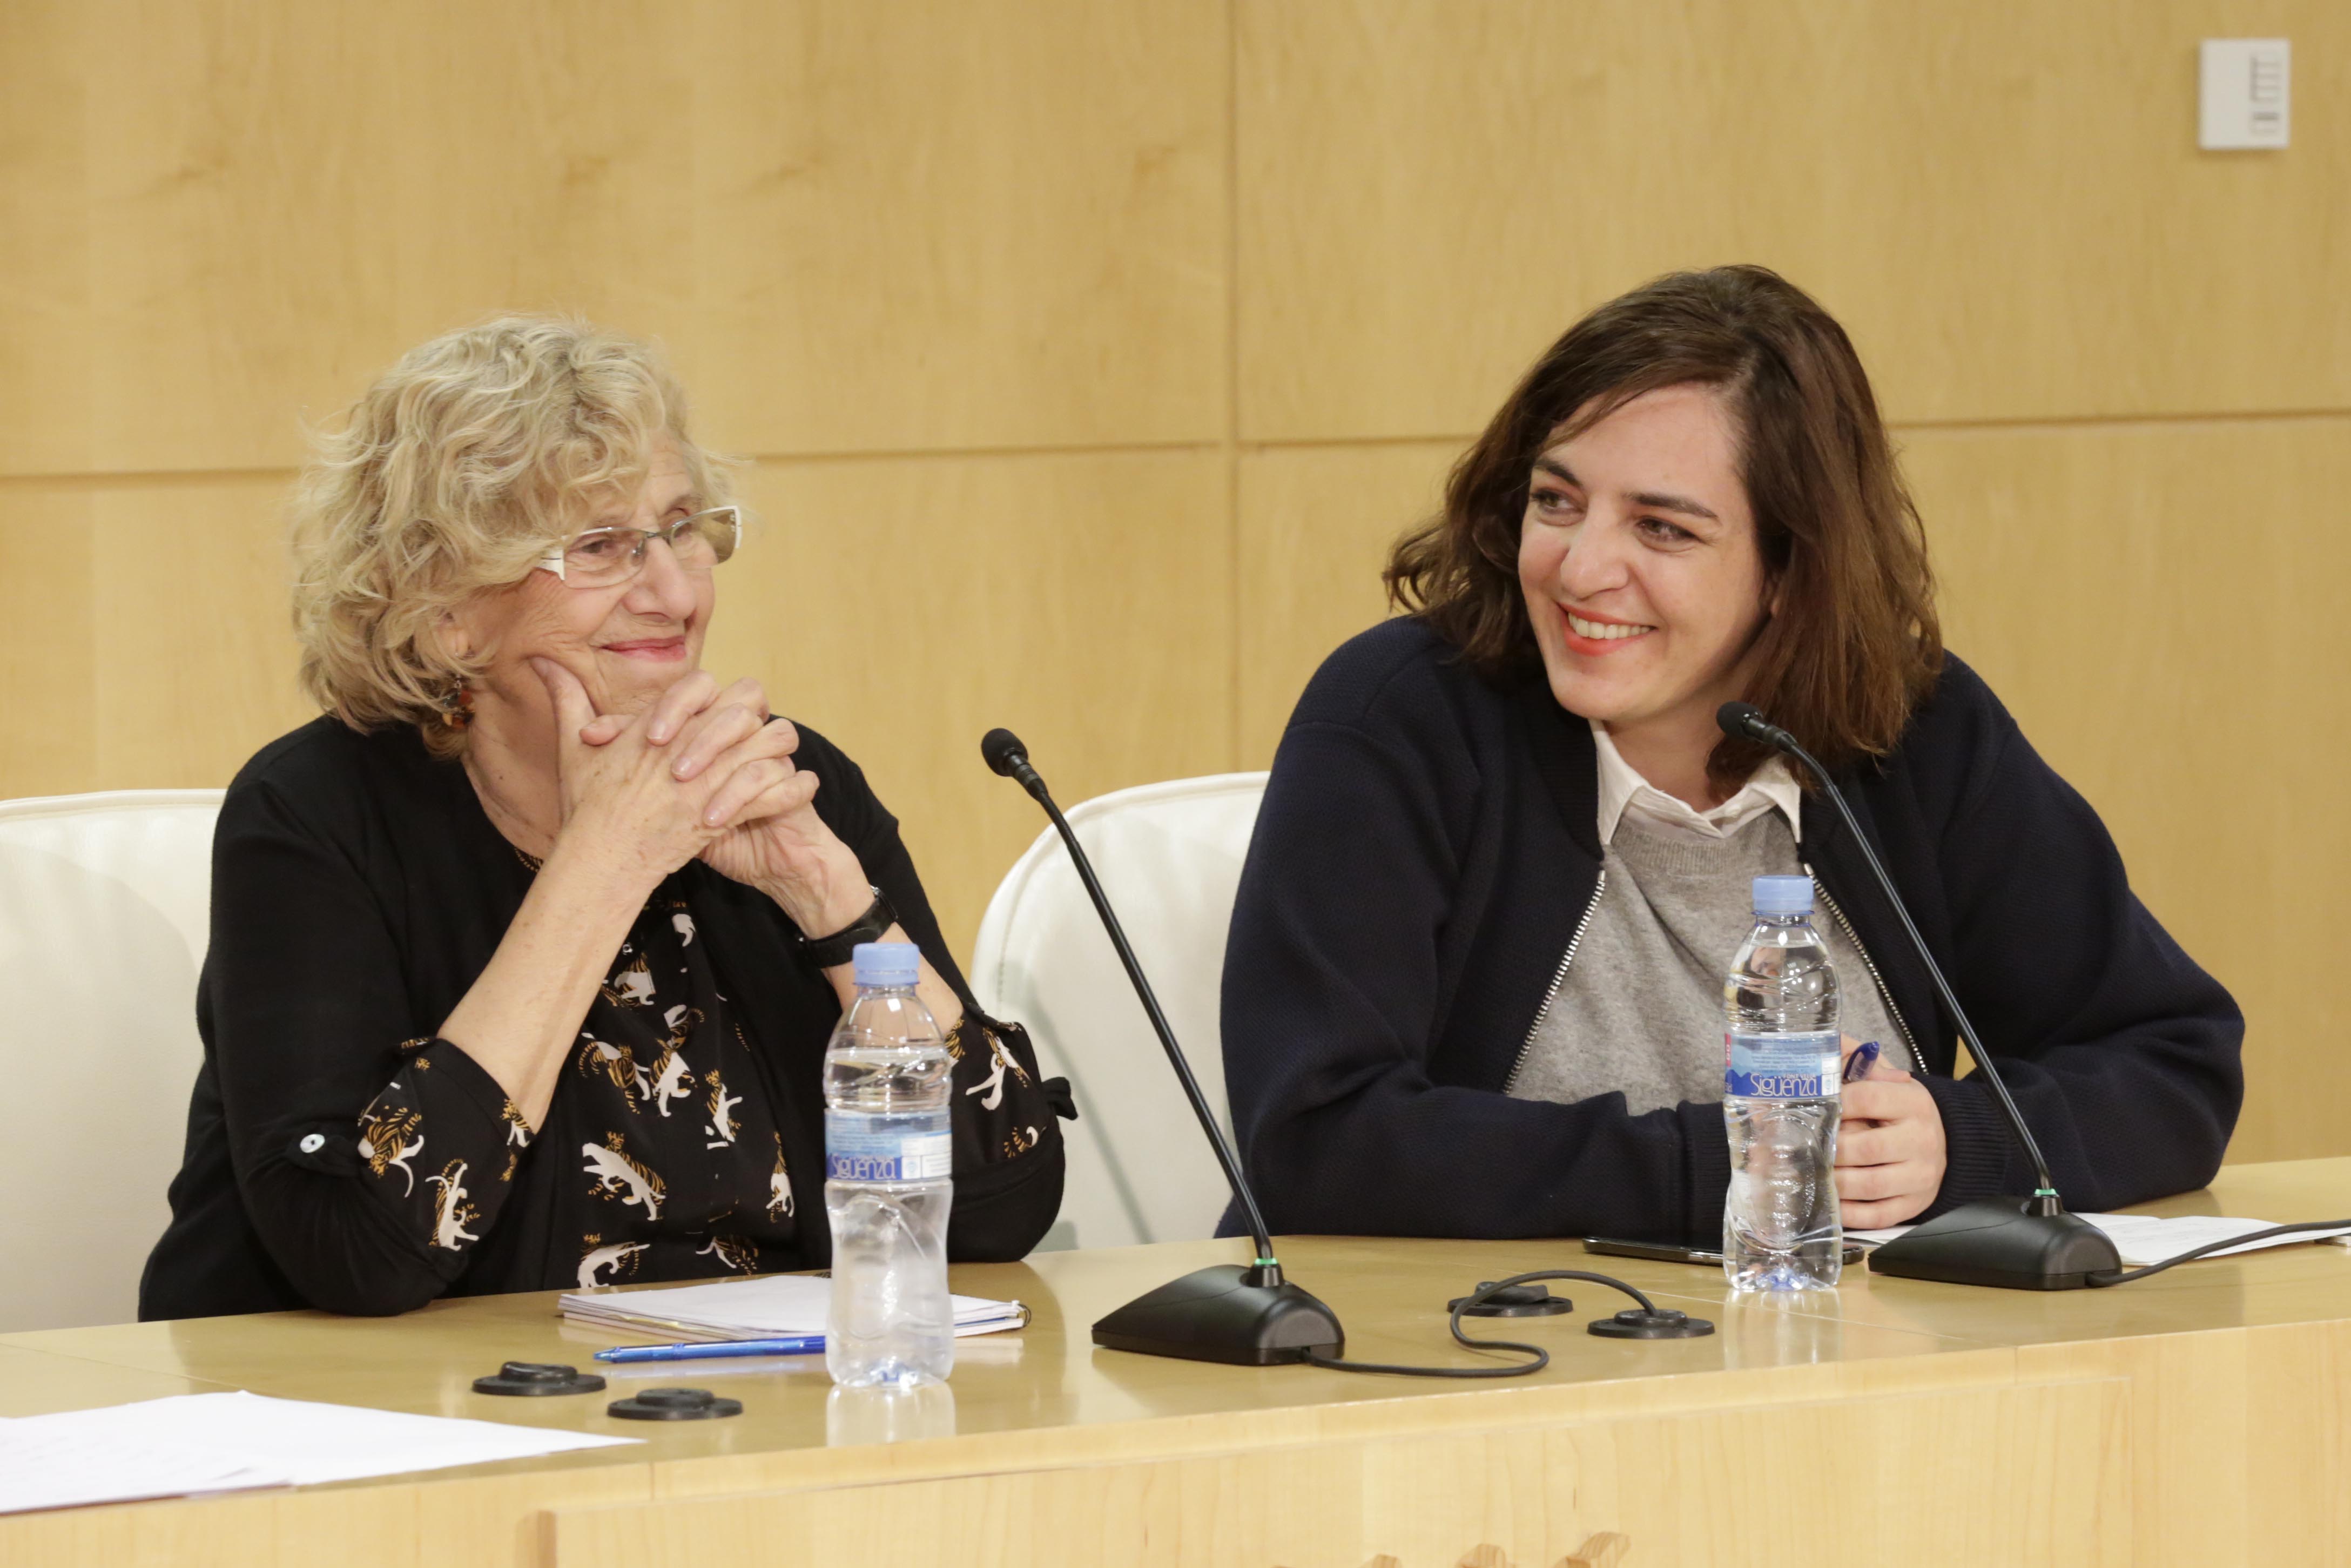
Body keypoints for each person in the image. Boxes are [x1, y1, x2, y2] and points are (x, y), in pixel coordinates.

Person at [1220, 266, 2241, 1244]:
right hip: (1463, 1367)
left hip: (1837, 1361)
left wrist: (1959, 1144)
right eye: (1556, 501)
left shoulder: (1912, 726)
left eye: (1661, 529)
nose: (1580, 571)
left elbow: (2171, 1065)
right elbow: (1314, 1139)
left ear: (1791, 571)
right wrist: (1739, 1166)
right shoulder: (1400, 717)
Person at [141, 316, 1068, 1318]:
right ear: (446, 608)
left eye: (680, 529)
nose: (674, 592)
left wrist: (827, 895)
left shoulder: (787, 777)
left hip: (744, 1415)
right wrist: (608, 863)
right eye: (600, 548)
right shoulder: (314, 816)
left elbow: (996, 1211)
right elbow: (362, 1252)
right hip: (385, 1425)